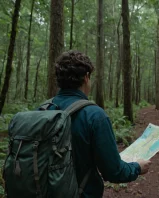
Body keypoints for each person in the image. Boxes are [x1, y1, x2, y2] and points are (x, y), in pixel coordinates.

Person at [51, 50, 151, 197]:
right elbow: (114, 172)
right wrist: (137, 167)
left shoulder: (42, 110)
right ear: (86, 78)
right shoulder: (94, 116)